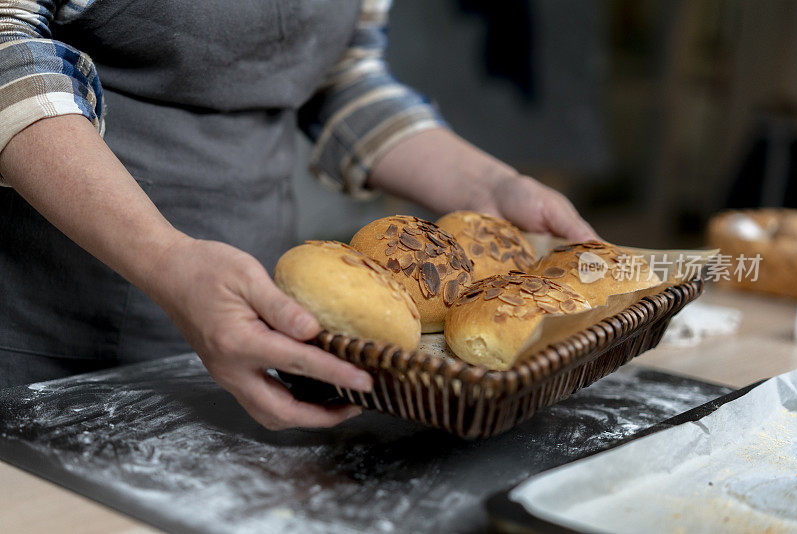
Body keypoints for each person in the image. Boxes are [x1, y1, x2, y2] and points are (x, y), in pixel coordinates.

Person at [0, 0, 597, 429]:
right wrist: (166, 258)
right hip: (53, 333)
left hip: (258, 316)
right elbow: (8, 51)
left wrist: (493, 184)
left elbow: (343, 80)